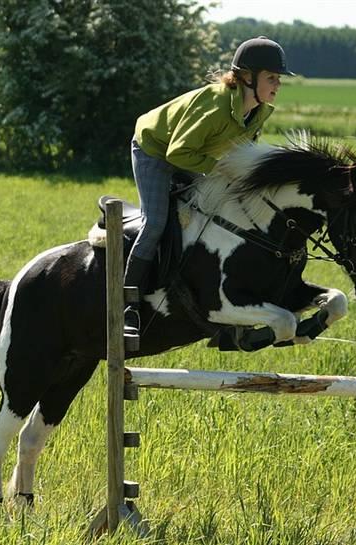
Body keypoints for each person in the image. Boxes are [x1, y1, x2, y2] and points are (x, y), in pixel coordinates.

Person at [124, 36, 295, 338]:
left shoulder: (259, 111)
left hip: (193, 156)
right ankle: (128, 305)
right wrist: (219, 170)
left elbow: (241, 153)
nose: (277, 84)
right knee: (155, 223)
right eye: (271, 77)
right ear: (247, 77)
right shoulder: (216, 105)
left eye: (278, 78)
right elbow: (177, 154)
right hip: (154, 150)